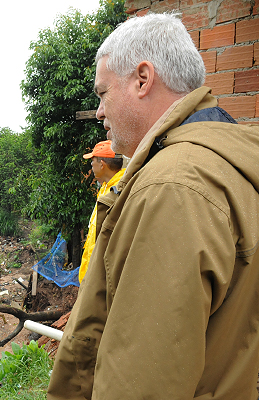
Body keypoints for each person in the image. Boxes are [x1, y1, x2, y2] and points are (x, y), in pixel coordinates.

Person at [48, 12, 259, 400]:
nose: (98, 113)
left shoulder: (173, 188)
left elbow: (141, 383)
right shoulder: (230, 163)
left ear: (142, 80)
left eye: (103, 93)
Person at [76, 140, 124, 284]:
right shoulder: (105, 188)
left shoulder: (119, 191)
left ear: (102, 164)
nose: (91, 165)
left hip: (101, 276)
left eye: (93, 161)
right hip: (92, 270)